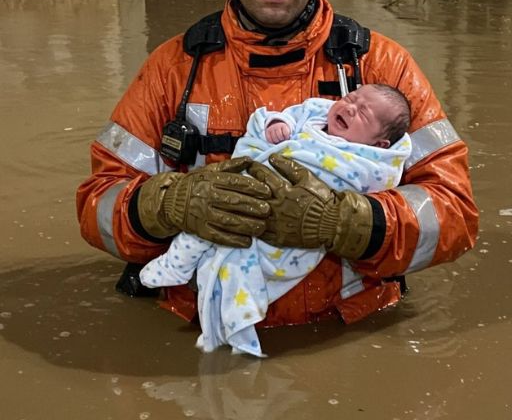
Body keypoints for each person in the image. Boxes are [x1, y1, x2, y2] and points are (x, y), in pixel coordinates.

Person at [76, 0, 479, 335]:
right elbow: (97, 209)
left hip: (348, 329)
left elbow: (455, 214)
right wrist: (167, 204)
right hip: (205, 329)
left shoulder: (381, 66)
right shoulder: (172, 70)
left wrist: (350, 223)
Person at [139, 83, 412, 356]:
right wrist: (166, 203)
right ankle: (186, 273)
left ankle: (235, 314)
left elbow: (437, 207)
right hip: (186, 315)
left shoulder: (385, 70)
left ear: (381, 145)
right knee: (217, 230)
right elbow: (113, 189)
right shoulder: (171, 71)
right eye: (350, 98)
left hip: (341, 331)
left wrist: (342, 222)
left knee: (238, 255)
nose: (351, 108)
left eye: (363, 113)